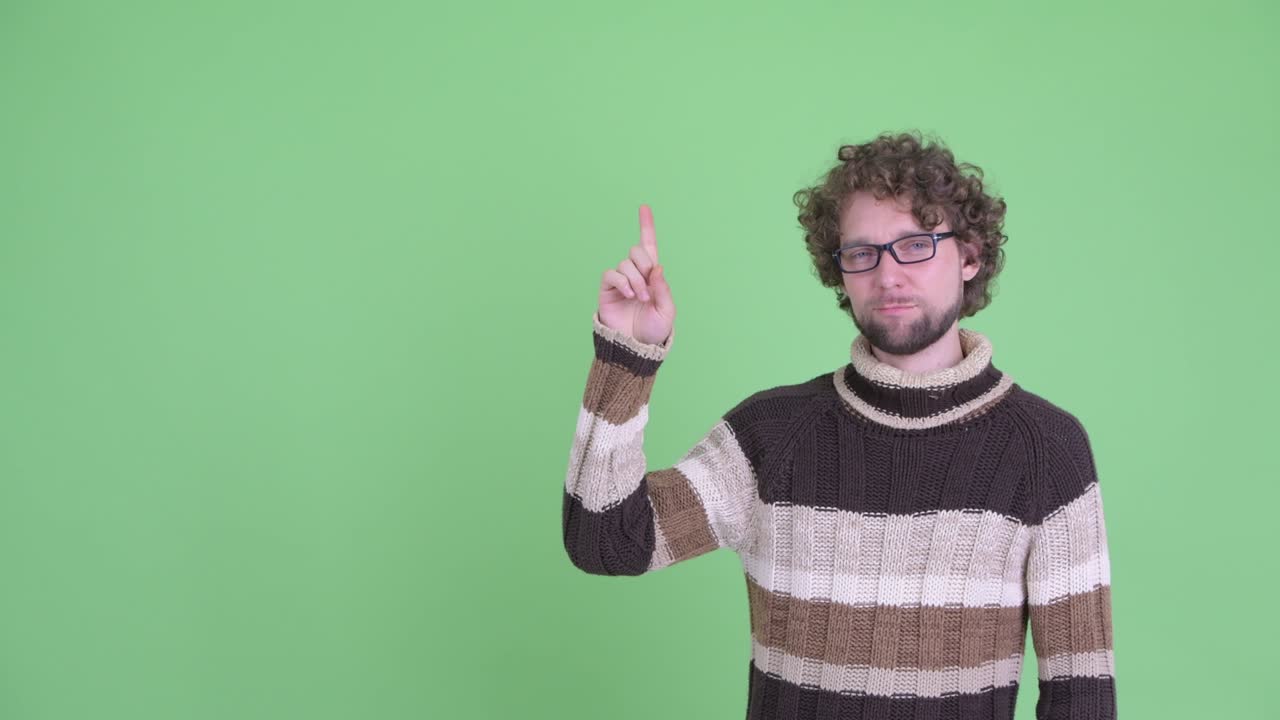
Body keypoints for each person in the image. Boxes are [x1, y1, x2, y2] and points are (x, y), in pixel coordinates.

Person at [561, 130, 1117, 720]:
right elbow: (605, 540)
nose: (888, 275)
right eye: (862, 253)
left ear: (970, 257)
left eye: (916, 245)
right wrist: (626, 354)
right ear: (841, 272)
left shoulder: (1046, 449)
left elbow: (1080, 696)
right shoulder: (772, 437)